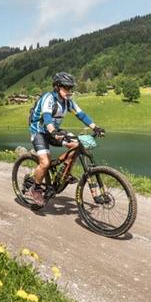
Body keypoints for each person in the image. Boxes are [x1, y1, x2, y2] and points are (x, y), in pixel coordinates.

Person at [28, 72, 105, 206]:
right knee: (45, 163)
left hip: (54, 132)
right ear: (57, 87)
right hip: (39, 132)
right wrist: (53, 130)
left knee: (77, 145)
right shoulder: (49, 98)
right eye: (66, 88)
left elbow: (81, 115)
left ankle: (63, 174)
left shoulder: (68, 102)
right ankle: (36, 188)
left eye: (70, 88)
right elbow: (46, 116)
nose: (69, 91)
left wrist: (95, 127)